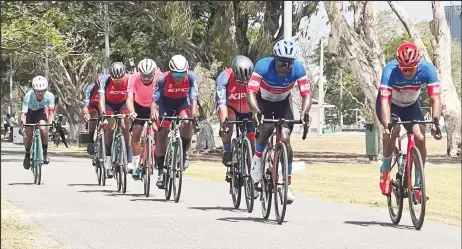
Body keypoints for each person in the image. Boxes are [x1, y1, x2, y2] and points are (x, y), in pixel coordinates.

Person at [246, 39, 313, 204]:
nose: (286, 66)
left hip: (283, 103)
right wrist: (255, 111)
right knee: (266, 127)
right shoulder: (262, 66)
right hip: (264, 102)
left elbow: (307, 94)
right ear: (275, 58)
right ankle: (257, 158)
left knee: (285, 137)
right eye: (282, 62)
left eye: (290, 62)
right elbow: (250, 92)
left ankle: (287, 184)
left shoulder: (298, 68)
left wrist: (304, 112)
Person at [376, 42, 442, 198]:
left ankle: (418, 184)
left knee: (419, 136)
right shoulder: (389, 71)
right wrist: (387, 126)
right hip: (391, 105)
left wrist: (436, 122)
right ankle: (385, 171)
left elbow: (435, 99)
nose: (407, 73)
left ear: (417, 64)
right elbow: (384, 101)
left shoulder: (428, 70)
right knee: (394, 131)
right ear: (398, 64)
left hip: (411, 105)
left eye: (411, 69)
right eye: (403, 69)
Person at [150, 54, 199, 188]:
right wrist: (153, 111)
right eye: (176, 76)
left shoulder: (191, 77)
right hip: (166, 104)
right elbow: (154, 101)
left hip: (182, 103)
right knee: (161, 131)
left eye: (181, 75)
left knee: (187, 122)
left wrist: (193, 115)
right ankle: (160, 171)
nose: (179, 78)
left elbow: (193, 99)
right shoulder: (162, 79)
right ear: (170, 72)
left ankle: (183, 152)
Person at [127, 58, 161, 179]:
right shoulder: (133, 78)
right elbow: (130, 98)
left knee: (158, 130)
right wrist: (131, 111)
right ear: (139, 72)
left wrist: (156, 110)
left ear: (154, 72)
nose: (146, 78)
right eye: (144, 75)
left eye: (149, 75)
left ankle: (159, 158)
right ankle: (136, 163)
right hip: (139, 106)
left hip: (155, 106)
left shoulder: (159, 77)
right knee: (136, 132)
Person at [99, 62, 132, 178]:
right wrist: (103, 115)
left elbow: (131, 98)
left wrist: (131, 112)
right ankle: (108, 158)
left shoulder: (129, 79)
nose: (117, 81)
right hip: (109, 105)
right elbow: (102, 99)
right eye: (115, 79)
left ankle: (129, 159)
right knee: (110, 127)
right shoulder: (104, 80)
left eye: (120, 79)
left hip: (123, 104)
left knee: (125, 126)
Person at [20, 75, 55, 169]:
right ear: (34, 90)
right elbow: (24, 113)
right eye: (38, 91)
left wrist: (51, 125)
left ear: (46, 90)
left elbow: (51, 113)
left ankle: (44, 153)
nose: (40, 93)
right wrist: (23, 125)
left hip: (41, 112)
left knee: (43, 128)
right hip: (30, 113)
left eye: (42, 91)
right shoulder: (28, 95)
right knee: (28, 135)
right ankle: (27, 154)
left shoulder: (50, 96)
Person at [83, 77, 102, 155]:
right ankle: (90, 142)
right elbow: (86, 106)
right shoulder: (90, 88)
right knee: (94, 115)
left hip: (105, 106)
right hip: (93, 106)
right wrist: (86, 114)